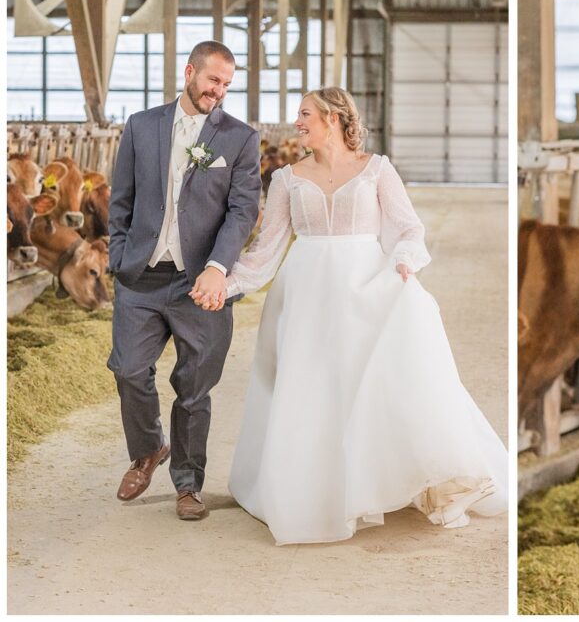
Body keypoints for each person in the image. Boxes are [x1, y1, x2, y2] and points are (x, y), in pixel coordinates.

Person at [209, 86, 508, 545]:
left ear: (332, 118)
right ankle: (317, 492)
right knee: (312, 390)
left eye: (305, 113)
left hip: (368, 288)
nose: (298, 122)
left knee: (373, 385)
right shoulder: (287, 179)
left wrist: (406, 257)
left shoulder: (377, 170)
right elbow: (266, 250)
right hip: (306, 293)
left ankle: (390, 481)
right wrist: (224, 285)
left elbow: (409, 227)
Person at [107, 40, 262, 520]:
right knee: (128, 369)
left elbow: (242, 211)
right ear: (191, 72)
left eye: (227, 85)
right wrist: (118, 256)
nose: (219, 91)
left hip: (202, 284)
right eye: (214, 80)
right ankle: (149, 449)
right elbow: (121, 201)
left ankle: (188, 485)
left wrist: (219, 268)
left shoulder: (239, 137)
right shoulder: (142, 125)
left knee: (193, 389)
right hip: (140, 277)